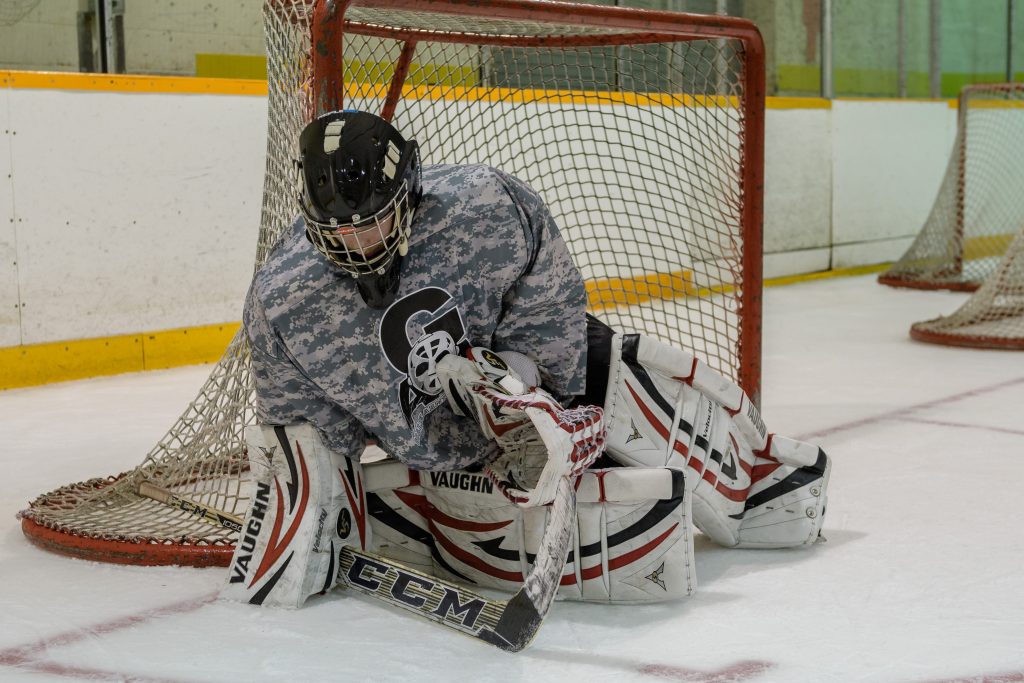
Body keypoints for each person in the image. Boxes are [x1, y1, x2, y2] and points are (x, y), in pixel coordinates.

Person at [221, 110, 831, 609]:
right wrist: (303, 508)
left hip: (540, 394)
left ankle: (763, 486)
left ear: (408, 191)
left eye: (373, 222)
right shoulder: (283, 299)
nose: (357, 243)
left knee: (641, 393)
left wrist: (516, 383)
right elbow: (305, 431)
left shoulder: (483, 204)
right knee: (509, 528)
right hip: (435, 454)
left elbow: (553, 302)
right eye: (338, 230)